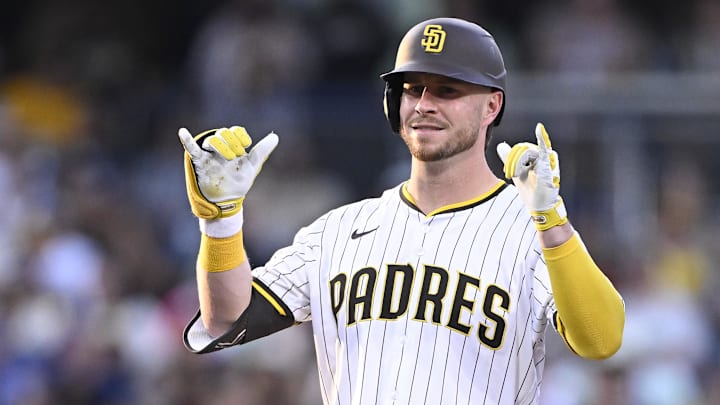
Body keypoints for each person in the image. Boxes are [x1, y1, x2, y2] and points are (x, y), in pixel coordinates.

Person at [178, 17, 625, 405]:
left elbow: (601, 340)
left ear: (492, 105)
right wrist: (220, 222)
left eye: (448, 90)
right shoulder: (339, 230)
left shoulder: (531, 228)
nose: (425, 104)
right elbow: (226, 319)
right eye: (413, 89)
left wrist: (551, 221)